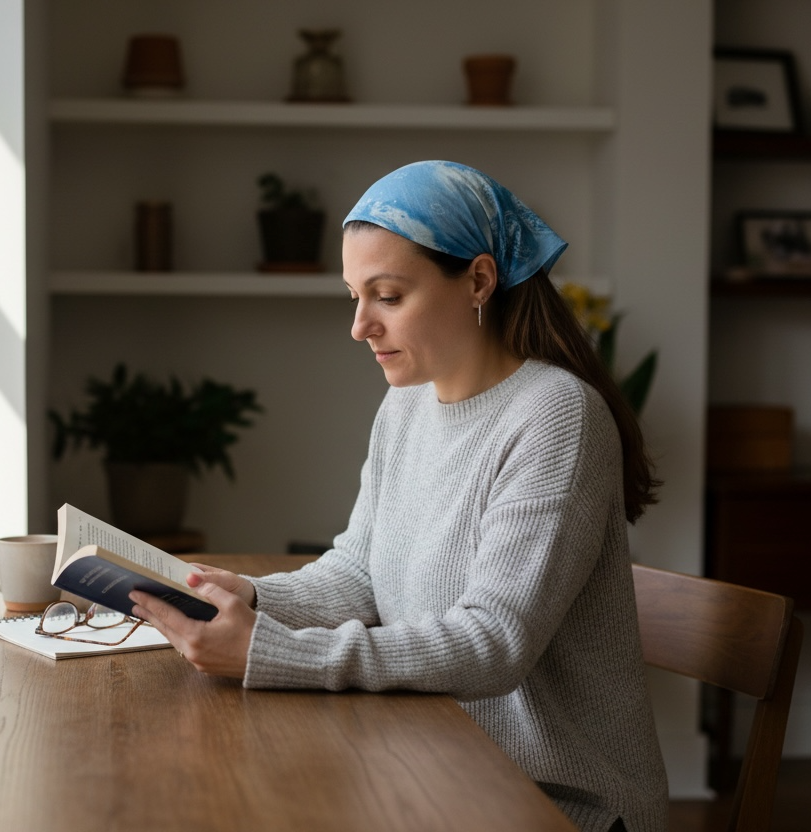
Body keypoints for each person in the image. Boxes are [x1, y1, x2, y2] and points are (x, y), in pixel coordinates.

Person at [129, 160, 669, 832]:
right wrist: (253, 596)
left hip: (551, 802)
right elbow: (360, 572)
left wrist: (274, 653)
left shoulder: (557, 416)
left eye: (387, 296)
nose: (360, 326)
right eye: (354, 296)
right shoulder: (407, 406)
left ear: (478, 280)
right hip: (428, 762)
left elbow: (495, 642)